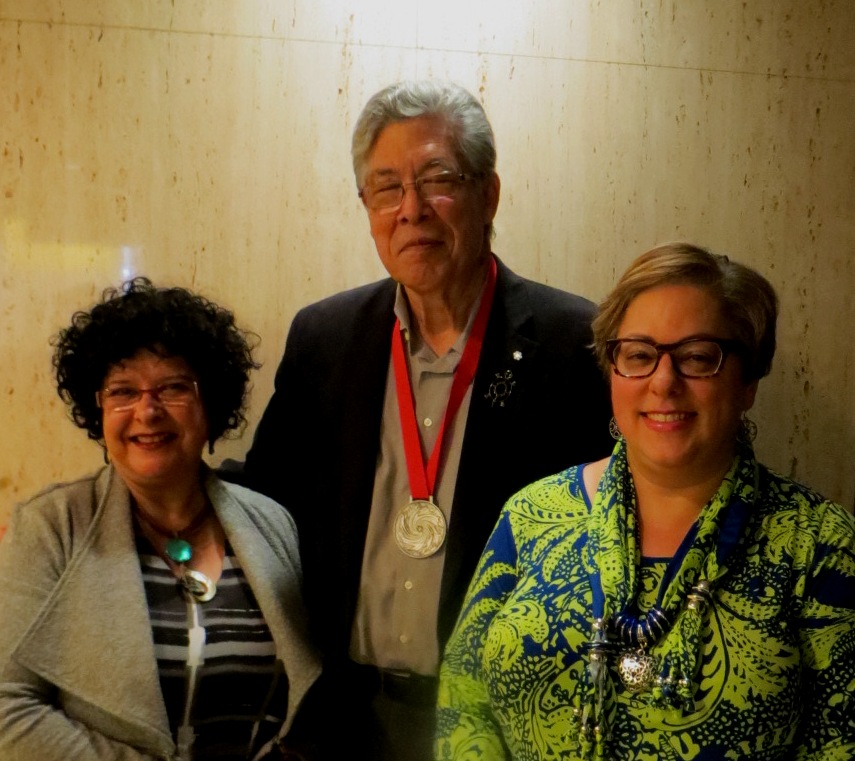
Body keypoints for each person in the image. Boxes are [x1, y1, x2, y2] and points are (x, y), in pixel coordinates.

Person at [239, 80, 613, 760]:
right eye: (386, 188)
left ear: (487, 194)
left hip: (499, 726)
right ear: (367, 208)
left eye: (437, 180)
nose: (410, 209)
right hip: (342, 721)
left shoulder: (572, 344)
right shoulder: (325, 338)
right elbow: (266, 504)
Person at [436, 242, 855, 760]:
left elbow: (840, 739)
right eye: (638, 355)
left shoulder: (819, 544)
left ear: (748, 381)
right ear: (612, 370)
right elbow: (463, 697)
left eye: (697, 357)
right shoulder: (531, 515)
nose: (664, 382)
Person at [0, 278, 321, 761]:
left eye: (173, 387)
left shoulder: (271, 523)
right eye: (123, 391)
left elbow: (303, 702)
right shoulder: (51, 527)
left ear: (210, 405)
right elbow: (8, 708)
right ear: (98, 410)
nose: (146, 411)